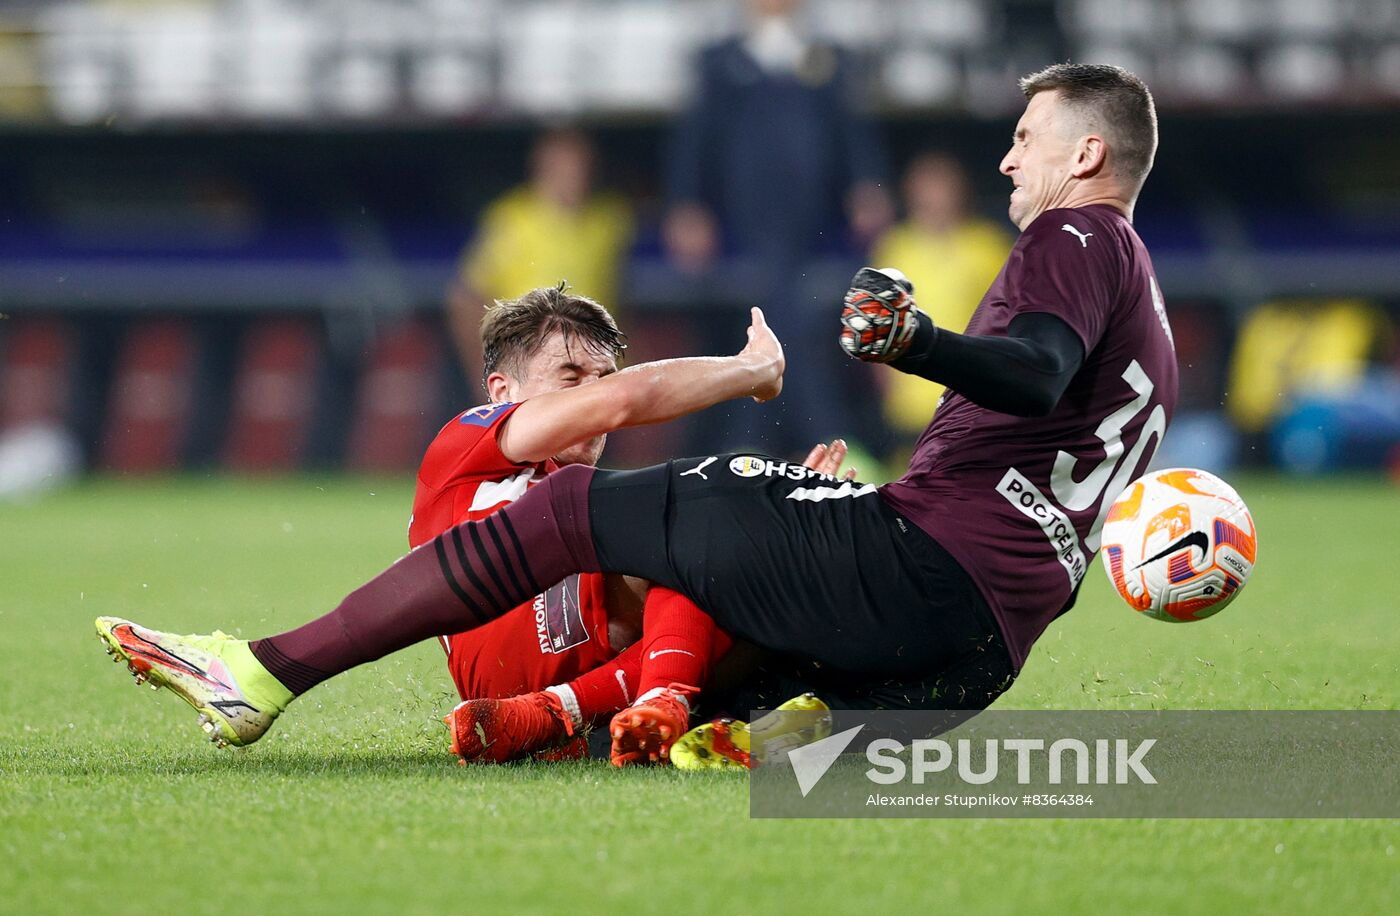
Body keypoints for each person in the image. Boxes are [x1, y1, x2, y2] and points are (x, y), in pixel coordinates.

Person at [97, 63, 1177, 764]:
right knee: (730, 557)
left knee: (586, 504)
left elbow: (1031, 371)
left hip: (919, 570)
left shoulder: (1072, 238)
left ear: (1086, 154)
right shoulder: (1153, 332)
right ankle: (721, 721)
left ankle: (259, 672)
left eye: (1027, 135)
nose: (1008, 155)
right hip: (981, 654)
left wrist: (913, 342)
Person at [662, 0, 892, 457]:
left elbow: (850, 129)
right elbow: (696, 136)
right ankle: (823, 435)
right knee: (784, 311)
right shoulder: (720, 59)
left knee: (782, 310)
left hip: (813, 222)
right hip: (744, 222)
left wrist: (867, 183)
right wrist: (687, 205)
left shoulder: (827, 56)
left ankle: (747, 444)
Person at [447, 129, 633, 380]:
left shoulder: (609, 219)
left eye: (580, 166)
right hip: (528, 364)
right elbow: (466, 297)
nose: (574, 175)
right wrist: (485, 369)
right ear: (542, 168)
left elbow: (624, 293)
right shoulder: (512, 219)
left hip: (590, 365)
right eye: (564, 166)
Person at [869, 153, 1012, 449]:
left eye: (941, 186)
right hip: (909, 402)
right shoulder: (895, 245)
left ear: (959, 191)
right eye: (925, 187)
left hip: (969, 396)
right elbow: (876, 319)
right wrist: (884, 380)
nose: (933, 196)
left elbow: (1007, 320)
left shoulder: (988, 245)